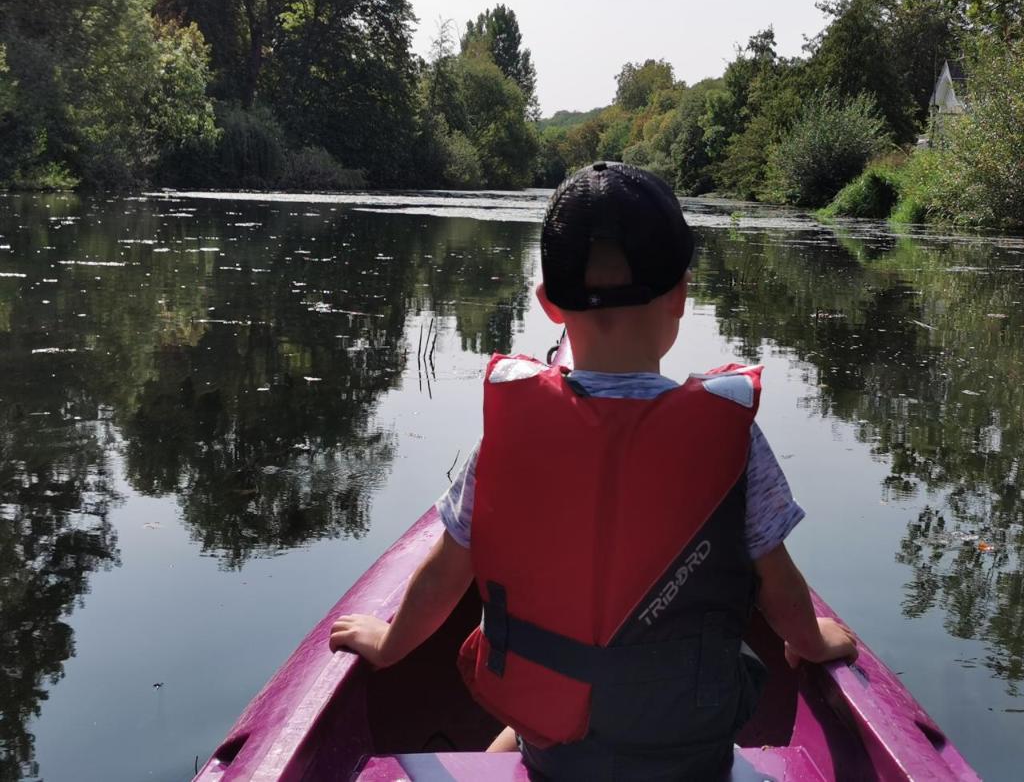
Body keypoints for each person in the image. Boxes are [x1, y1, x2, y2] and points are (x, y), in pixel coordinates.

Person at [329, 162, 858, 780]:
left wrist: (390, 645)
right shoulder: (733, 437)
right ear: (681, 298)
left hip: (557, 752)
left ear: (549, 304)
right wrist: (815, 641)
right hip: (689, 754)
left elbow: (444, 574)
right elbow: (781, 592)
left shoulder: (511, 437)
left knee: (543, 725)